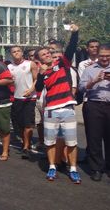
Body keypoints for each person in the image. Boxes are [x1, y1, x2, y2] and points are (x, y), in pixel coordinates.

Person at [35, 24, 81, 184]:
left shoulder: (62, 64)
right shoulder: (43, 73)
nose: (47, 55)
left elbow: (71, 48)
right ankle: (52, 166)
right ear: (39, 59)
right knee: (50, 141)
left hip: (67, 108)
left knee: (71, 141)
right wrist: (41, 75)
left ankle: (73, 169)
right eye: (43, 54)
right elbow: (38, 89)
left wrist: (75, 33)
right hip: (50, 111)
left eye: (48, 52)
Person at [78, 43, 110, 182]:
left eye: (107, 56)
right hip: (94, 105)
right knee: (94, 138)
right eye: (102, 56)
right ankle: (96, 168)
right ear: (98, 55)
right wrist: (94, 81)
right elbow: (81, 88)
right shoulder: (89, 69)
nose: (104, 59)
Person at [8, 46, 38, 159]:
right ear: (11, 54)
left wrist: (31, 90)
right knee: (18, 124)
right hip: (16, 98)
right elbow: (8, 81)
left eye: (18, 51)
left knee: (27, 124)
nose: (16, 53)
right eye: (14, 52)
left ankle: (26, 147)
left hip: (29, 99)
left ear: (22, 53)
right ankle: (24, 142)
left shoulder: (30, 64)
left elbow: (36, 79)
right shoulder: (9, 67)